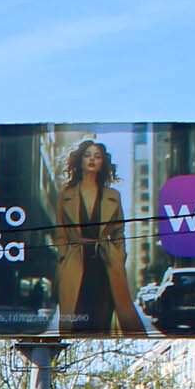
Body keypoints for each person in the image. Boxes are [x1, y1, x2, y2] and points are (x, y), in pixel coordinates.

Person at [50, 138, 147, 337]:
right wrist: (63, 255)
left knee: (102, 317)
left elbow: (119, 231)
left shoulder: (113, 195)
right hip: (75, 262)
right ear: (79, 161)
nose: (92, 160)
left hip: (106, 263)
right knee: (75, 319)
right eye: (87, 156)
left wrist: (119, 256)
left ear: (103, 162)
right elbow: (60, 231)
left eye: (97, 156)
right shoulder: (66, 195)